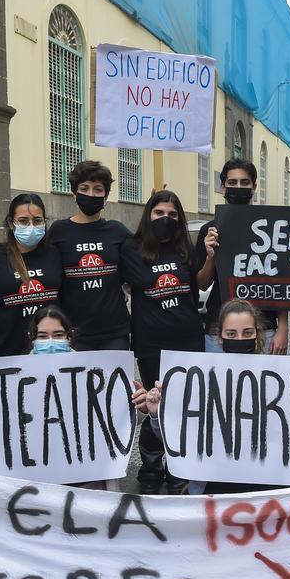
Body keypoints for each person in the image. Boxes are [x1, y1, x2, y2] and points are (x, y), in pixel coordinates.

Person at [131, 299, 290, 494]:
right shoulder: (200, 380)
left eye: (247, 333)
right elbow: (178, 440)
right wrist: (156, 413)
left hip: (271, 490)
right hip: (213, 488)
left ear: (258, 334)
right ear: (220, 337)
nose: (239, 339)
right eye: (231, 334)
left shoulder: (283, 381)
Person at [0, 306, 110, 490]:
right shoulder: (9, 383)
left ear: (69, 338)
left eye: (58, 335)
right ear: (32, 340)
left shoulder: (94, 379)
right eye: (42, 336)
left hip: (85, 484)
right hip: (31, 491)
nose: (50, 342)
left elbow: (115, 421)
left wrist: (139, 403)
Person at [120, 190, 205, 494]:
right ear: (148, 215)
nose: (165, 219)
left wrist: (211, 255)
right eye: (159, 213)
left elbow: (202, 282)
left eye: (172, 214)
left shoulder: (186, 249)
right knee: (155, 403)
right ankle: (152, 464)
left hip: (188, 339)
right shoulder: (130, 249)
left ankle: (180, 465)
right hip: (151, 342)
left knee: (184, 405)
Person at [194, 158, 289, 354]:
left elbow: (282, 280)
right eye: (232, 182)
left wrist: (283, 328)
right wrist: (211, 256)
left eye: (244, 182)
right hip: (219, 328)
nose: (238, 187)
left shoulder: (271, 227)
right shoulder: (209, 230)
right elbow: (202, 284)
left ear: (254, 186)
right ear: (223, 187)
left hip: (265, 327)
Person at [46, 160, 132, 351]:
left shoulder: (118, 231)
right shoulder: (59, 231)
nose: (90, 194)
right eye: (84, 188)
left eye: (98, 189)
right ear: (74, 193)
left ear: (106, 196)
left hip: (114, 333)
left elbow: (141, 260)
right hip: (73, 332)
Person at [0, 194, 61, 356]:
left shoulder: (54, 253)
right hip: (8, 349)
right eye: (24, 221)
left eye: (37, 221)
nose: (31, 226)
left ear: (45, 222)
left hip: (50, 349)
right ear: (11, 224)